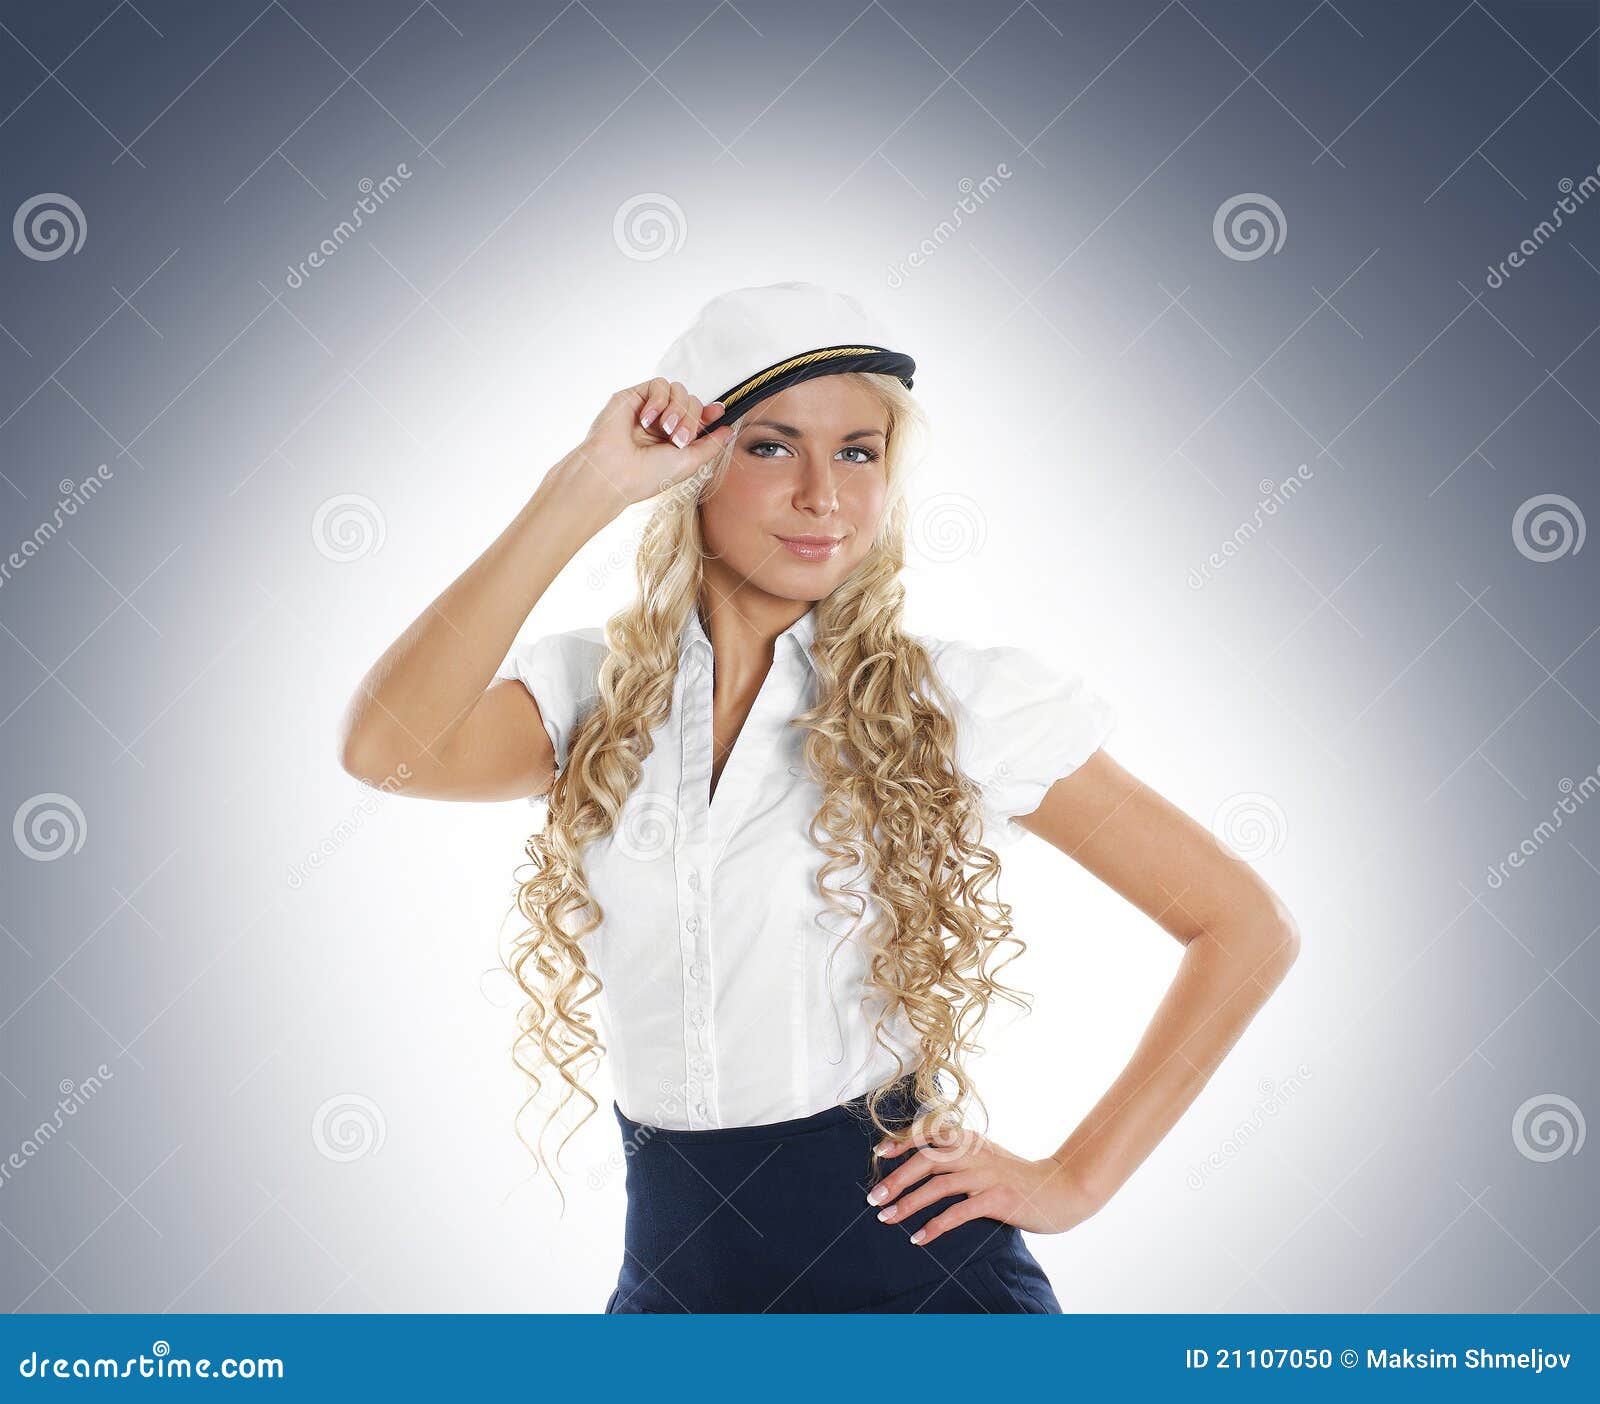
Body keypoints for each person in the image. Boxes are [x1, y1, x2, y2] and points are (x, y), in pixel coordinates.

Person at [337, 281, 1300, 1314]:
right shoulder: (589, 691)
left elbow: (1241, 925)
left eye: (858, 451)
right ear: (692, 467)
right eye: (769, 445)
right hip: (671, 1288)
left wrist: (1072, 1180)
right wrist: (583, 485)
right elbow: (387, 750)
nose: (822, 494)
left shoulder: (959, 701)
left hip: (914, 1289)